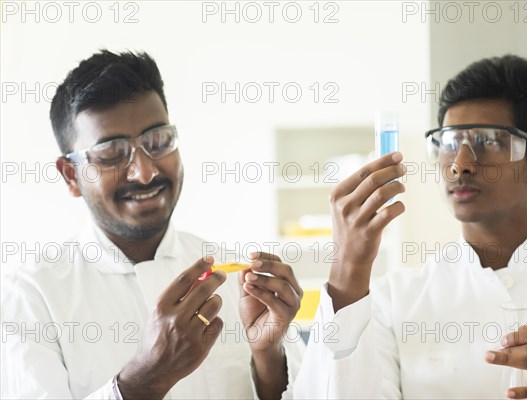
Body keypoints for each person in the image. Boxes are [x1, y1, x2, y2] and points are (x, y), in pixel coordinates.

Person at [1, 50, 304, 399]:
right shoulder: (29, 296)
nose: (145, 172)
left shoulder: (237, 279)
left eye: (157, 141)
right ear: (71, 175)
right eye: (111, 153)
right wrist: (145, 377)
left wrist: (268, 355)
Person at [293, 55, 527, 399]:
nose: (460, 165)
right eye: (449, 142)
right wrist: (347, 270)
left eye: (488, 140)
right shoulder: (392, 300)